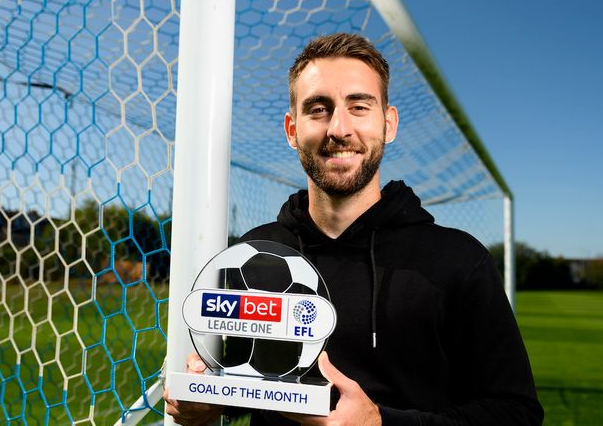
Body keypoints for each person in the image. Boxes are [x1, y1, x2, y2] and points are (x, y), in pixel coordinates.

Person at [165, 33, 543, 425]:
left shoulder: (457, 260)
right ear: (292, 130)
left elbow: (517, 414)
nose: (339, 128)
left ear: (389, 123)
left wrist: (378, 423)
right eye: (318, 109)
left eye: (359, 106)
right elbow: (254, 381)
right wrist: (208, 398)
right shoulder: (255, 253)